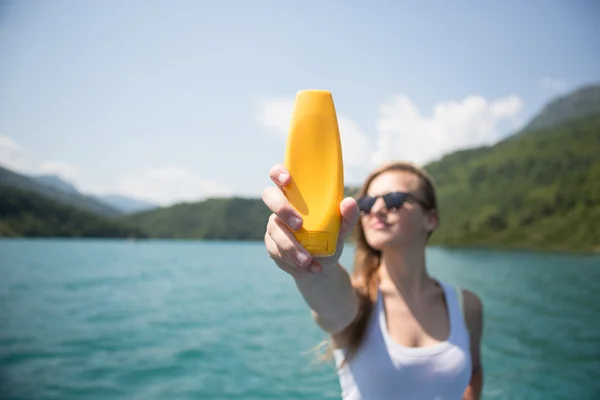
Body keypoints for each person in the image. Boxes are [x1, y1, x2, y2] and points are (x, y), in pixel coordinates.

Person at [262, 160, 484, 400]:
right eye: (367, 204)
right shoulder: (359, 300)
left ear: (430, 219)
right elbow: (322, 283)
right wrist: (311, 259)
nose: (377, 209)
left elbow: (473, 372)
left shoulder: (466, 305)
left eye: (394, 200)